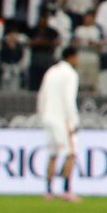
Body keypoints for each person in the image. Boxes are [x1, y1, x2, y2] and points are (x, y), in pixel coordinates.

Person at [37, 39, 82, 201]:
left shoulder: (51, 71)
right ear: (71, 57)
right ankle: (66, 190)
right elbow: (69, 99)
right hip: (62, 118)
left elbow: (42, 95)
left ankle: (48, 191)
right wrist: (73, 120)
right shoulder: (70, 74)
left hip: (48, 117)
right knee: (71, 153)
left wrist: (42, 115)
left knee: (53, 154)